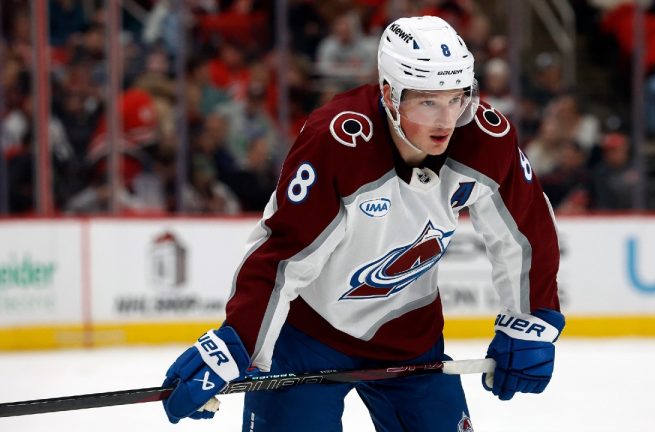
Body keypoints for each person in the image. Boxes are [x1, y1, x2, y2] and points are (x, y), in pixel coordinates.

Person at [160, 16, 565, 431]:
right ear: (390, 94)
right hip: (305, 337)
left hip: (410, 337)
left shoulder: (484, 138)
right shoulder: (337, 142)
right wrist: (236, 343)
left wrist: (532, 319)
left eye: (457, 98)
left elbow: (527, 230)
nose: (447, 120)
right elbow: (283, 254)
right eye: (428, 102)